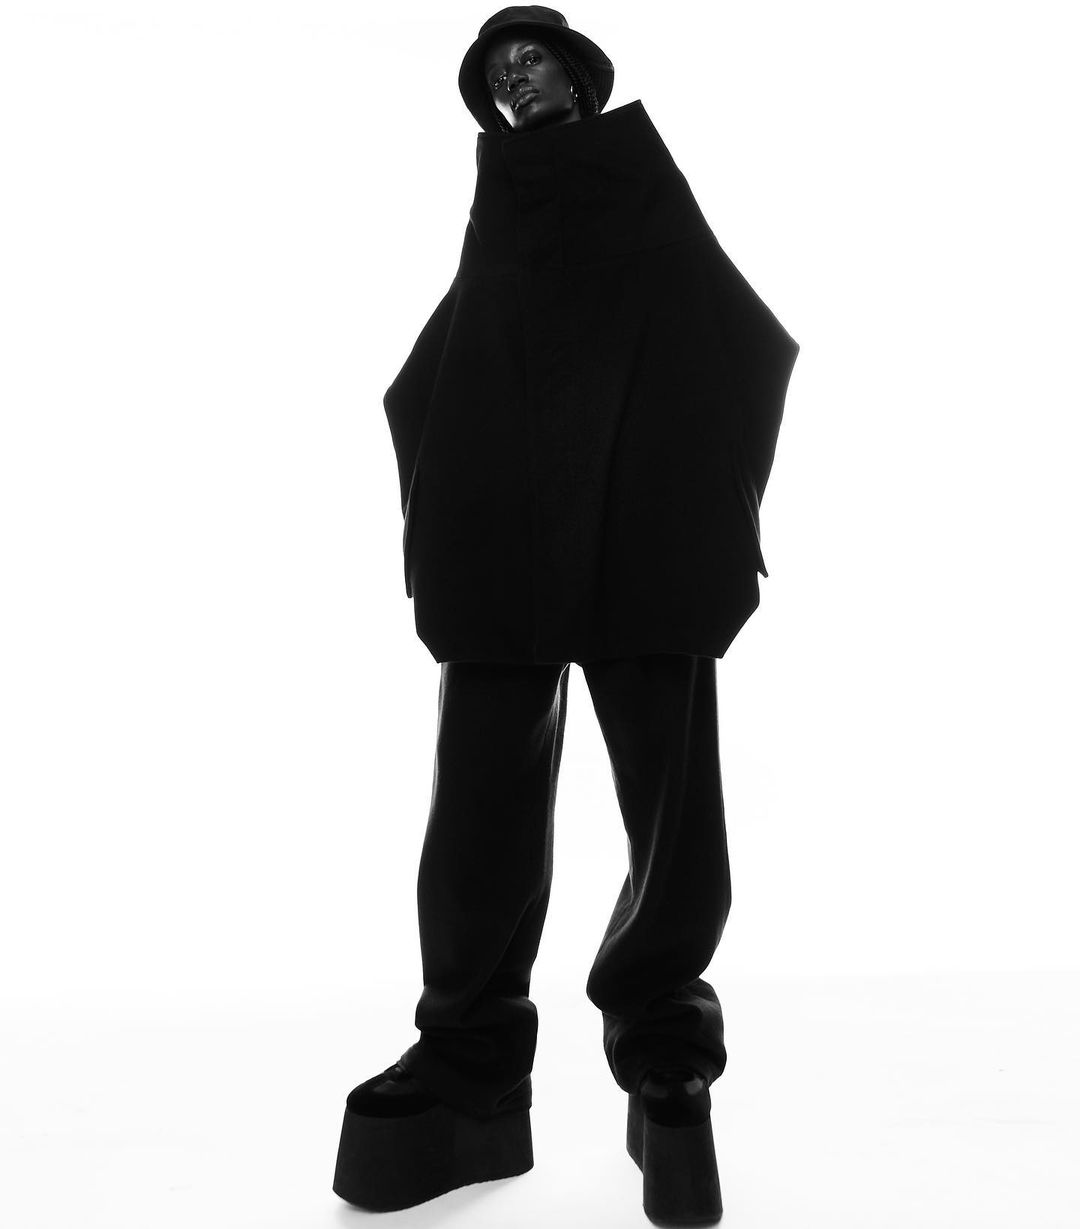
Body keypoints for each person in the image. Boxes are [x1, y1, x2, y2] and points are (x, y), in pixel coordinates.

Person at [333, 7, 799, 1222]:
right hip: (503, 541)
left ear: (580, 71)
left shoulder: (637, 176)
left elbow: (742, 340)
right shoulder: (500, 196)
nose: (513, 79)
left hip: (645, 535)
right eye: (497, 71)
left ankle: (665, 1055)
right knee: (479, 797)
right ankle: (471, 1059)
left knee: (670, 802)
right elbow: (458, 353)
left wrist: (698, 502)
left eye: (530, 56)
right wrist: (444, 477)